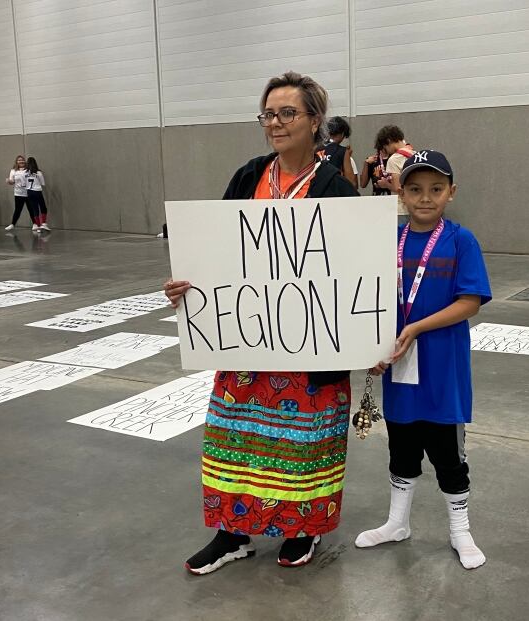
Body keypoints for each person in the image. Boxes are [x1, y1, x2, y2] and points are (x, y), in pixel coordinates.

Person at [164, 71, 359, 575]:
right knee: (235, 436)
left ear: (315, 120)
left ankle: (300, 530)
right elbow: (218, 250)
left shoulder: (336, 188)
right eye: (268, 114)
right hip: (247, 340)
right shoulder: (249, 176)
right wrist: (189, 286)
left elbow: (354, 269)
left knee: (303, 441)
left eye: (287, 113)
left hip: (310, 347)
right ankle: (233, 532)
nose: (275, 123)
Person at [356, 150, 492, 571]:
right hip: (398, 369)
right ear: (400, 192)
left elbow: (470, 301)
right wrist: (372, 348)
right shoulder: (387, 241)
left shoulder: (460, 240)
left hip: (442, 370)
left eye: (436, 189)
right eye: (415, 189)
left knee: (448, 457)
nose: (425, 198)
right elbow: (368, 300)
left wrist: (415, 328)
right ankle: (397, 523)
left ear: (451, 192)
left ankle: (460, 530)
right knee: (402, 449)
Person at [375, 125, 414, 224]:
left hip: (400, 209)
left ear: (388, 141)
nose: (387, 151)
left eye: (385, 148)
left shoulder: (394, 159)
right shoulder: (414, 154)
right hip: (413, 207)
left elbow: (398, 188)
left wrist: (385, 184)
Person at [318, 116, 358, 188]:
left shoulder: (315, 149)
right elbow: (352, 183)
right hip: (334, 194)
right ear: (342, 134)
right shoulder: (342, 151)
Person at [5, 155, 30, 231]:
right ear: (16, 162)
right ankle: (12, 224)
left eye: (22, 160)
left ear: (25, 161)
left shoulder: (28, 170)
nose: (21, 161)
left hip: (29, 193)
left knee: (31, 209)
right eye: (19, 160)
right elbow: (12, 181)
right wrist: (9, 181)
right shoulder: (13, 171)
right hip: (18, 193)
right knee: (18, 210)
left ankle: (36, 224)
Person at [26, 157, 50, 232]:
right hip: (37, 191)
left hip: (29, 192)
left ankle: (38, 226)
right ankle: (43, 223)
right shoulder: (38, 172)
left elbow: (24, 184)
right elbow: (43, 183)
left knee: (35, 208)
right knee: (43, 207)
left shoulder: (25, 173)